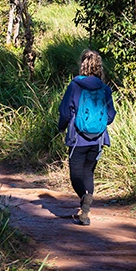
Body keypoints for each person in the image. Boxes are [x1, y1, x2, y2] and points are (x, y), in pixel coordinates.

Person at [58, 49, 116, 225]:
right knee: (88, 172)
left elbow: (65, 111)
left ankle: (84, 199)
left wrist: (62, 127)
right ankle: (85, 210)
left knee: (76, 174)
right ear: (99, 67)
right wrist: (97, 125)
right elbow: (111, 115)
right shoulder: (104, 89)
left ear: (82, 65)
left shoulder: (75, 86)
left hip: (77, 138)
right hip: (98, 139)